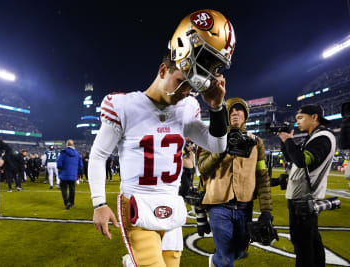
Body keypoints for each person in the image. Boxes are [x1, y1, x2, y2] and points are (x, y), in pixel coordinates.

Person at [88, 9, 234, 267]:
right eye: (181, 80)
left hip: (171, 206)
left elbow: (218, 145)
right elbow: (99, 155)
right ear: (163, 69)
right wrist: (99, 202)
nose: (185, 91)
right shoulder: (124, 105)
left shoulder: (188, 108)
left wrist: (216, 108)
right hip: (137, 204)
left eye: (191, 86)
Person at [197, 97, 273, 267]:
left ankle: (215, 261)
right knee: (225, 258)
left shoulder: (256, 142)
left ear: (245, 115)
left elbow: (262, 176)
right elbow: (202, 168)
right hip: (219, 205)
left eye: (239, 110)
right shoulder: (211, 138)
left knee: (239, 251)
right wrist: (221, 149)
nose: (234, 113)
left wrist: (266, 210)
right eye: (230, 111)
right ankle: (219, 260)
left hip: (245, 206)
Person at [278, 104, 336, 267]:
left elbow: (302, 161)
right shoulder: (315, 137)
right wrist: (284, 142)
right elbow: (292, 159)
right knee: (312, 242)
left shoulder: (322, 137)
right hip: (302, 199)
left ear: (314, 117)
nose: (297, 122)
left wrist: (289, 140)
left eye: (300, 118)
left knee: (303, 245)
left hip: (304, 200)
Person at [57, 140, 83, 209]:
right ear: (73, 145)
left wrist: (62, 168)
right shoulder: (77, 154)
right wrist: (75, 171)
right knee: (72, 190)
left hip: (64, 175)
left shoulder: (63, 153)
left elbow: (59, 164)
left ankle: (67, 203)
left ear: (67, 145)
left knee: (64, 189)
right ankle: (71, 203)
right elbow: (81, 165)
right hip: (73, 175)